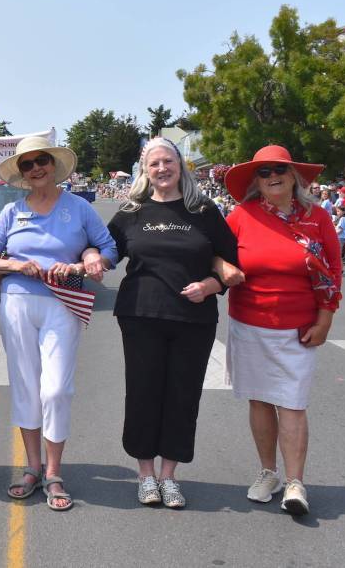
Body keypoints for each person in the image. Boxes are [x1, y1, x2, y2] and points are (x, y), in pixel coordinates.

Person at [0, 136, 116, 511]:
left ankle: (55, 471)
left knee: (55, 390)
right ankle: (33, 468)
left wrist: (88, 259)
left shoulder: (79, 209)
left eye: (42, 161)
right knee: (25, 387)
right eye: (27, 164)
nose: (36, 168)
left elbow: (109, 249)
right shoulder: (11, 212)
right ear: (21, 172)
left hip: (63, 301)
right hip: (18, 301)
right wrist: (13, 263)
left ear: (53, 165)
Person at [106, 138, 239, 508]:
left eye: (168, 161)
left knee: (183, 397)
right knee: (144, 393)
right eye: (154, 164)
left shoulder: (204, 210)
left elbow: (230, 265)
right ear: (144, 171)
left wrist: (210, 286)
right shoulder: (132, 210)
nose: (161, 169)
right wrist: (86, 256)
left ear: (180, 165)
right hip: (140, 316)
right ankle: (145, 474)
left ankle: (169, 476)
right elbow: (106, 252)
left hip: (193, 319)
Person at [221, 145, 341, 516]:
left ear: (294, 176)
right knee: (260, 399)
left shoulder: (317, 217)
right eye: (264, 172)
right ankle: (268, 472)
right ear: (256, 181)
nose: (273, 176)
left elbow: (333, 271)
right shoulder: (241, 216)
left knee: (292, 403)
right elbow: (217, 253)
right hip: (249, 323)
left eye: (280, 169)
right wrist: (223, 269)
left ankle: (295, 482)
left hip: (299, 328)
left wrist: (325, 319)